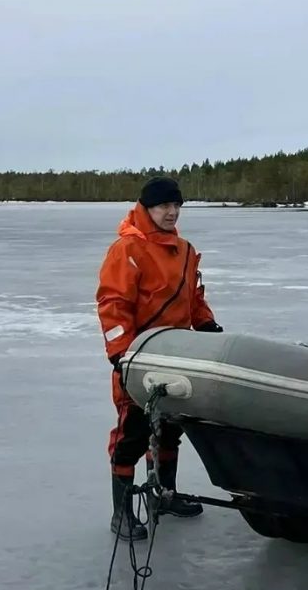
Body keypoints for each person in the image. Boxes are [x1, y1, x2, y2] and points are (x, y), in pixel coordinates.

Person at [96, 176, 224, 540]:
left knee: (170, 430)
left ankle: (163, 495)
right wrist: (121, 355)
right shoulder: (127, 250)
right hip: (138, 358)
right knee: (132, 436)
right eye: (164, 206)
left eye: (176, 205)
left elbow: (193, 299)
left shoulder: (185, 250)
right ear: (147, 208)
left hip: (177, 355)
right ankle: (121, 513)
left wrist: (207, 326)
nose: (172, 212)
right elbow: (113, 304)